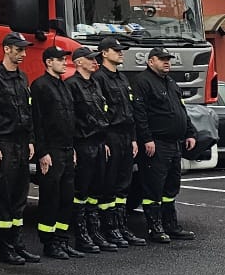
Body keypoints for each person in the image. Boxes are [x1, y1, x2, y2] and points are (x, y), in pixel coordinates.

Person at [0, 32, 40, 265]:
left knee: (19, 197)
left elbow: (28, 110)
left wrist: (31, 139)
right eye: (19, 49)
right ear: (6, 49)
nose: (23, 53)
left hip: (21, 143)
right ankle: (5, 249)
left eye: (24, 49)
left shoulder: (22, 77)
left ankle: (18, 245)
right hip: (4, 143)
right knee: (3, 197)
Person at [128, 47, 199, 243]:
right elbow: (139, 113)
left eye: (168, 59)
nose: (167, 62)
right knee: (153, 187)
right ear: (150, 61)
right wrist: (146, 139)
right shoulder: (142, 82)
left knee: (171, 187)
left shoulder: (171, 82)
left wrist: (190, 132)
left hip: (174, 144)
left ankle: (171, 225)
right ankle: (155, 227)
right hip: (156, 143)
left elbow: (181, 110)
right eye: (162, 59)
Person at [28, 46, 81, 260]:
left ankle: (62, 240)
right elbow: (37, 121)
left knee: (67, 198)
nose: (64, 62)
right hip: (51, 151)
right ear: (49, 62)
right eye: (59, 59)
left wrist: (73, 147)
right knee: (51, 198)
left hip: (67, 150)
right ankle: (49, 243)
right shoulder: (40, 86)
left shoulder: (64, 85)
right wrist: (42, 152)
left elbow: (69, 119)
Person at [94, 38, 147, 247]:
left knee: (123, 185)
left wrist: (133, 138)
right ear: (104, 53)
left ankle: (121, 226)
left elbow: (130, 110)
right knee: (109, 185)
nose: (120, 53)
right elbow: (99, 112)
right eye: (116, 50)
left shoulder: (123, 78)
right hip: (111, 135)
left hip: (126, 135)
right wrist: (104, 139)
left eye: (121, 50)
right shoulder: (99, 78)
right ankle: (109, 229)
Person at [65, 47, 116, 254]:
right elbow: (70, 118)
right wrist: (72, 146)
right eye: (90, 59)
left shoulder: (95, 83)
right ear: (78, 62)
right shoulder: (72, 85)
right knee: (81, 191)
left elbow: (102, 112)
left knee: (96, 189)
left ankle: (94, 232)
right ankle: (82, 235)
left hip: (98, 142)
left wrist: (104, 141)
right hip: (83, 143)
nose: (95, 62)